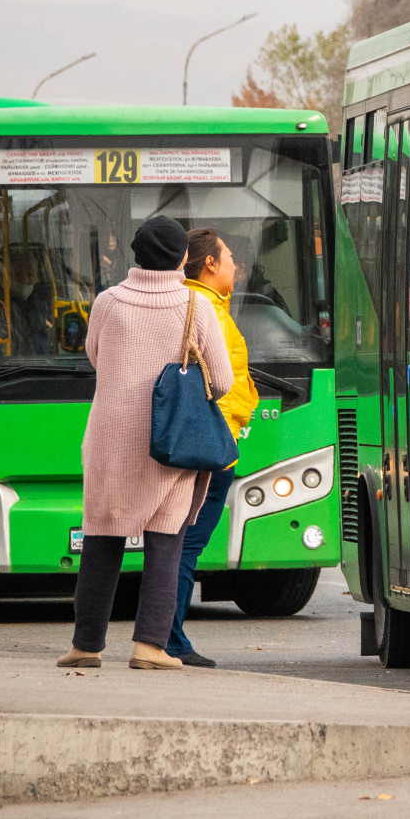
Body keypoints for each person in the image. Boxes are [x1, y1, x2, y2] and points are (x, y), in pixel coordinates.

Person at [58, 216, 233, 671]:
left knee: (100, 537)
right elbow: (223, 380)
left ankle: (86, 645)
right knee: (166, 538)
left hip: (109, 437)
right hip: (169, 440)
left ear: (134, 255)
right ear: (181, 258)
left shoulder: (107, 303)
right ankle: (149, 647)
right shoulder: (195, 306)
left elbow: (97, 358)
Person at [165, 229, 259, 667]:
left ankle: (166, 634)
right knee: (186, 544)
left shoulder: (199, 304)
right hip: (211, 443)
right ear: (210, 265)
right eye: (230, 257)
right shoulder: (205, 309)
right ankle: (171, 638)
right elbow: (223, 382)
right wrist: (234, 426)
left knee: (181, 542)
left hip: (204, 438)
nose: (236, 265)